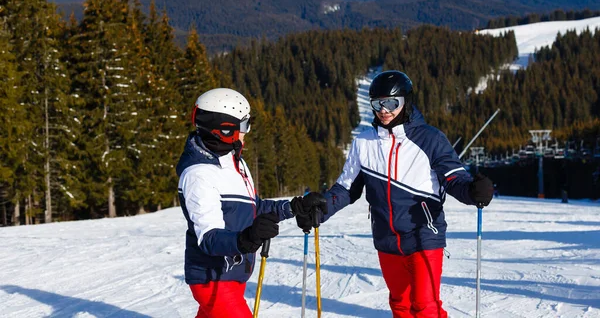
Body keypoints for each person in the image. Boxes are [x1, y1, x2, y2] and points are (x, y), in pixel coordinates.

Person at [294, 71, 494, 318]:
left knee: (424, 306)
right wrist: (321, 208)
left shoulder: (430, 139)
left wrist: (473, 191)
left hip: (424, 235)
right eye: (377, 103)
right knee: (400, 304)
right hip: (386, 238)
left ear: (406, 102)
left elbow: (454, 178)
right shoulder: (363, 143)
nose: (384, 110)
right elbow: (346, 189)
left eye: (391, 103)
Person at [176, 88, 325, 318]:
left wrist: (294, 207)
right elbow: (208, 237)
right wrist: (246, 239)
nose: (248, 132)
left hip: (233, 273)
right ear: (225, 129)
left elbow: (255, 208)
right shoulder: (199, 174)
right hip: (213, 278)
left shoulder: (235, 163)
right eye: (244, 125)